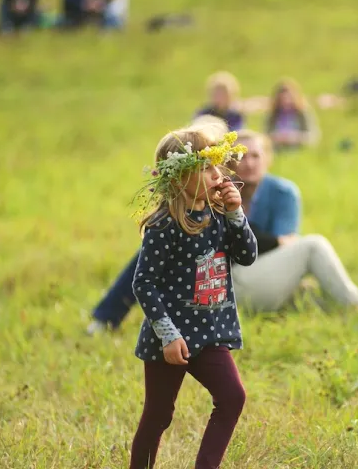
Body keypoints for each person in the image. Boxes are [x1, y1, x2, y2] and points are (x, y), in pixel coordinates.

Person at [86, 128, 358, 333]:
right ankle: (104, 318)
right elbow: (270, 241)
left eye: (256, 156)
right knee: (153, 247)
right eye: (241, 157)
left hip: (250, 274)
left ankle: (357, 306)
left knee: (309, 267)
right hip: (216, 283)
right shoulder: (212, 192)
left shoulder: (283, 193)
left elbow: (276, 247)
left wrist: (264, 236)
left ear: (268, 159)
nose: (249, 163)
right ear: (227, 164)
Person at [127, 123, 257, 469]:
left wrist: (235, 213)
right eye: (206, 169)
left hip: (210, 333)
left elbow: (246, 255)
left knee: (232, 397)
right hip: (171, 339)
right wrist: (167, 335)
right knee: (158, 416)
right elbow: (144, 283)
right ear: (178, 178)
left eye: (218, 166)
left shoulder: (218, 215)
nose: (218, 175)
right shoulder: (164, 224)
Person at [264, 78, 321, 152]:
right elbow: (265, 137)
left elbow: (313, 137)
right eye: (282, 99)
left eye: (289, 99)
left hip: (299, 149)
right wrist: (276, 137)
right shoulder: (272, 115)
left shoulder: (303, 113)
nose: (286, 102)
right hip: (278, 150)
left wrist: (295, 137)